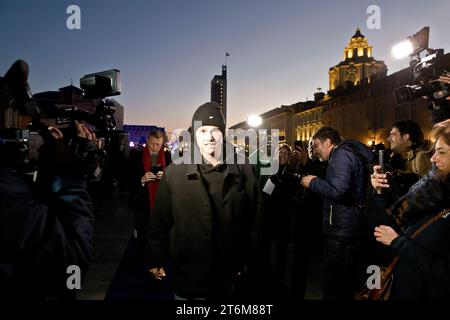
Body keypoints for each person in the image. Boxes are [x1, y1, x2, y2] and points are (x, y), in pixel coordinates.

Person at [146, 102, 264, 300]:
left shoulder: (243, 169)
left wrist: (250, 262)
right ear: (194, 134)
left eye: (215, 131)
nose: (209, 137)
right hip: (186, 276)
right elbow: (159, 222)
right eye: (203, 130)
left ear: (223, 133)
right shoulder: (174, 173)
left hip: (227, 275)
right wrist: (155, 259)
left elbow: (256, 221)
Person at [371, 119, 450, 299]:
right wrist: (380, 193)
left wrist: (398, 243)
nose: (432, 158)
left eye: (442, 152)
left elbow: (444, 276)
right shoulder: (430, 192)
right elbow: (388, 228)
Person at [300, 127, 373, 300]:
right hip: (347, 228)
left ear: (328, 142)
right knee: (344, 284)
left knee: (334, 286)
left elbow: (339, 191)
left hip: (342, 232)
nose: (315, 150)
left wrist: (313, 182)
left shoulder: (340, 155)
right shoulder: (344, 154)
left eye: (317, 145)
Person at [129, 129, 171, 251]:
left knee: (161, 237)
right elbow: (128, 179)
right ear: (147, 141)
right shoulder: (136, 156)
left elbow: (173, 180)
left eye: (158, 144)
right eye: (152, 144)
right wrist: (141, 179)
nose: (155, 147)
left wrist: (165, 177)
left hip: (162, 203)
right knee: (143, 237)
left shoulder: (168, 157)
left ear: (162, 143)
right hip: (142, 203)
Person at [260, 143, 296, 286]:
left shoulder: (292, 172)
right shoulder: (270, 171)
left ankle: (279, 279)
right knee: (266, 248)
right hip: (269, 216)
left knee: (282, 251)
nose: (282, 156)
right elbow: (264, 195)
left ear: (289, 157)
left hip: (284, 217)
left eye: (285, 154)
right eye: (280, 153)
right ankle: (267, 276)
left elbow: (292, 195)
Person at [386, 120, 433, 197]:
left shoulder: (421, 157)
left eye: (393, 135)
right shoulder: (395, 156)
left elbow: (430, 190)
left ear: (406, 137)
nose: (389, 139)